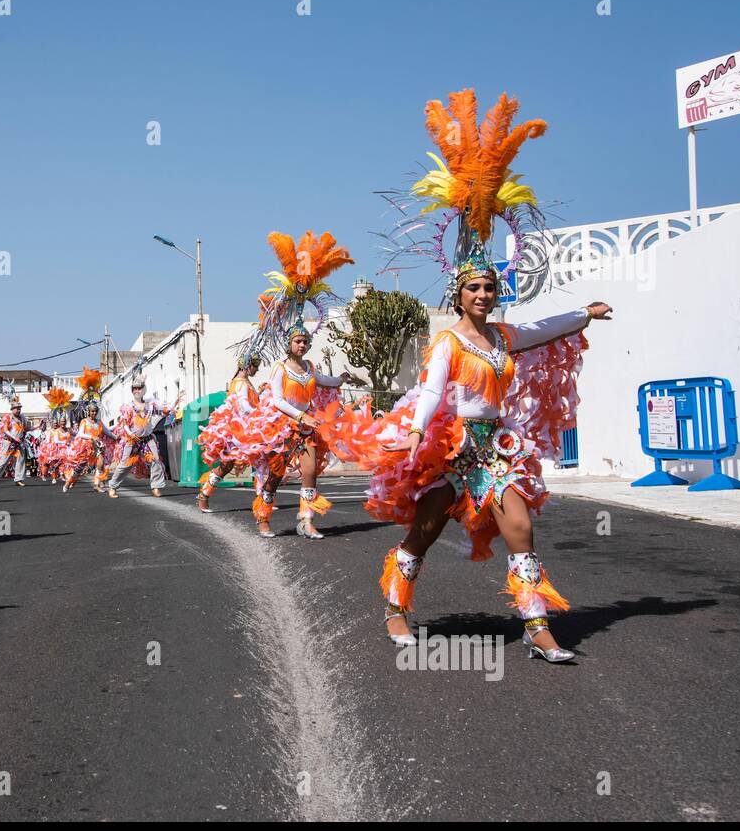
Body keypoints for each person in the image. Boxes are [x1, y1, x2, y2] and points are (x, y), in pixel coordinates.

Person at [320, 88, 606, 662]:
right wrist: (417, 430)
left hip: (496, 448)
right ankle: (397, 608)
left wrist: (585, 313)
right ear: (459, 293)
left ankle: (536, 624)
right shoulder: (448, 340)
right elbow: (428, 389)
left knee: (520, 527)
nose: (483, 294)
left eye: (490, 287)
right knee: (424, 532)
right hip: (449, 448)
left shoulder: (503, 336)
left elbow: (545, 326)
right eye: (474, 287)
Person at [226, 230, 356, 538]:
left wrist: (342, 379)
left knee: (310, 474)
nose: (302, 345)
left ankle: (306, 521)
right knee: (275, 475)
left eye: (305, 341)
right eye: (298, 341)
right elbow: (278, 401)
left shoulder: (309, 366)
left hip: (306, 427)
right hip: (282, 425)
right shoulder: (279, 368)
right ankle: (263, 516)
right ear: (289, 343)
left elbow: (322, 381)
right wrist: (299, 416)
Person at [196, 349, 263, 513]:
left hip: (244, 430)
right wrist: (261, 413)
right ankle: (204, 495)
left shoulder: (243, 382)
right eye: (256, 366)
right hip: (240, 433)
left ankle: (263, 500)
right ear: (248, 366)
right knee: (229, 466)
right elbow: (244, 406)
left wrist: (259, 393)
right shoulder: (241, 383)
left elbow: (247, 403)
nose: (257, 370)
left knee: (261, 463)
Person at [106, 375, 181, 498]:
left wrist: (173, 405)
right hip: (132, 439)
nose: (137, 391)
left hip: (147, 438)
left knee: (156, 460)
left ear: (143, 389)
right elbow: (124, 423)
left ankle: (156, 487)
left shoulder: (150, 405)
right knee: (124, 464)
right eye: (134, 389)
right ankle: (113, 486)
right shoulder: (129, 407)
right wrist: (130, 434)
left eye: (139, 388)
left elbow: (164, 411)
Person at [0, 397, 29, 486]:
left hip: (19, 443)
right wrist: (14, 438)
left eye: (20, 408)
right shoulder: (8, 418)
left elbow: (27, 428)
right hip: (9, 442)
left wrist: (39, 426)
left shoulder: (22, 418)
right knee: (3, 460)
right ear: (12, 409)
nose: (18, 410)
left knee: (20, 461)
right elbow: (5, 430)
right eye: (17, 409)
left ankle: (18, 479)